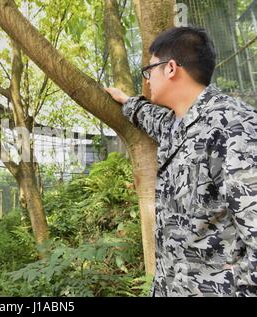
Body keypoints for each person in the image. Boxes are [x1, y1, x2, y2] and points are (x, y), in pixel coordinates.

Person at [105, 27, 257, 297]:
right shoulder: (176, 124)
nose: (148, 78)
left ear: (171, 68)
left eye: (150, 69)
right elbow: (149, 116)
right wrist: (127, 102)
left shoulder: (234, 127)